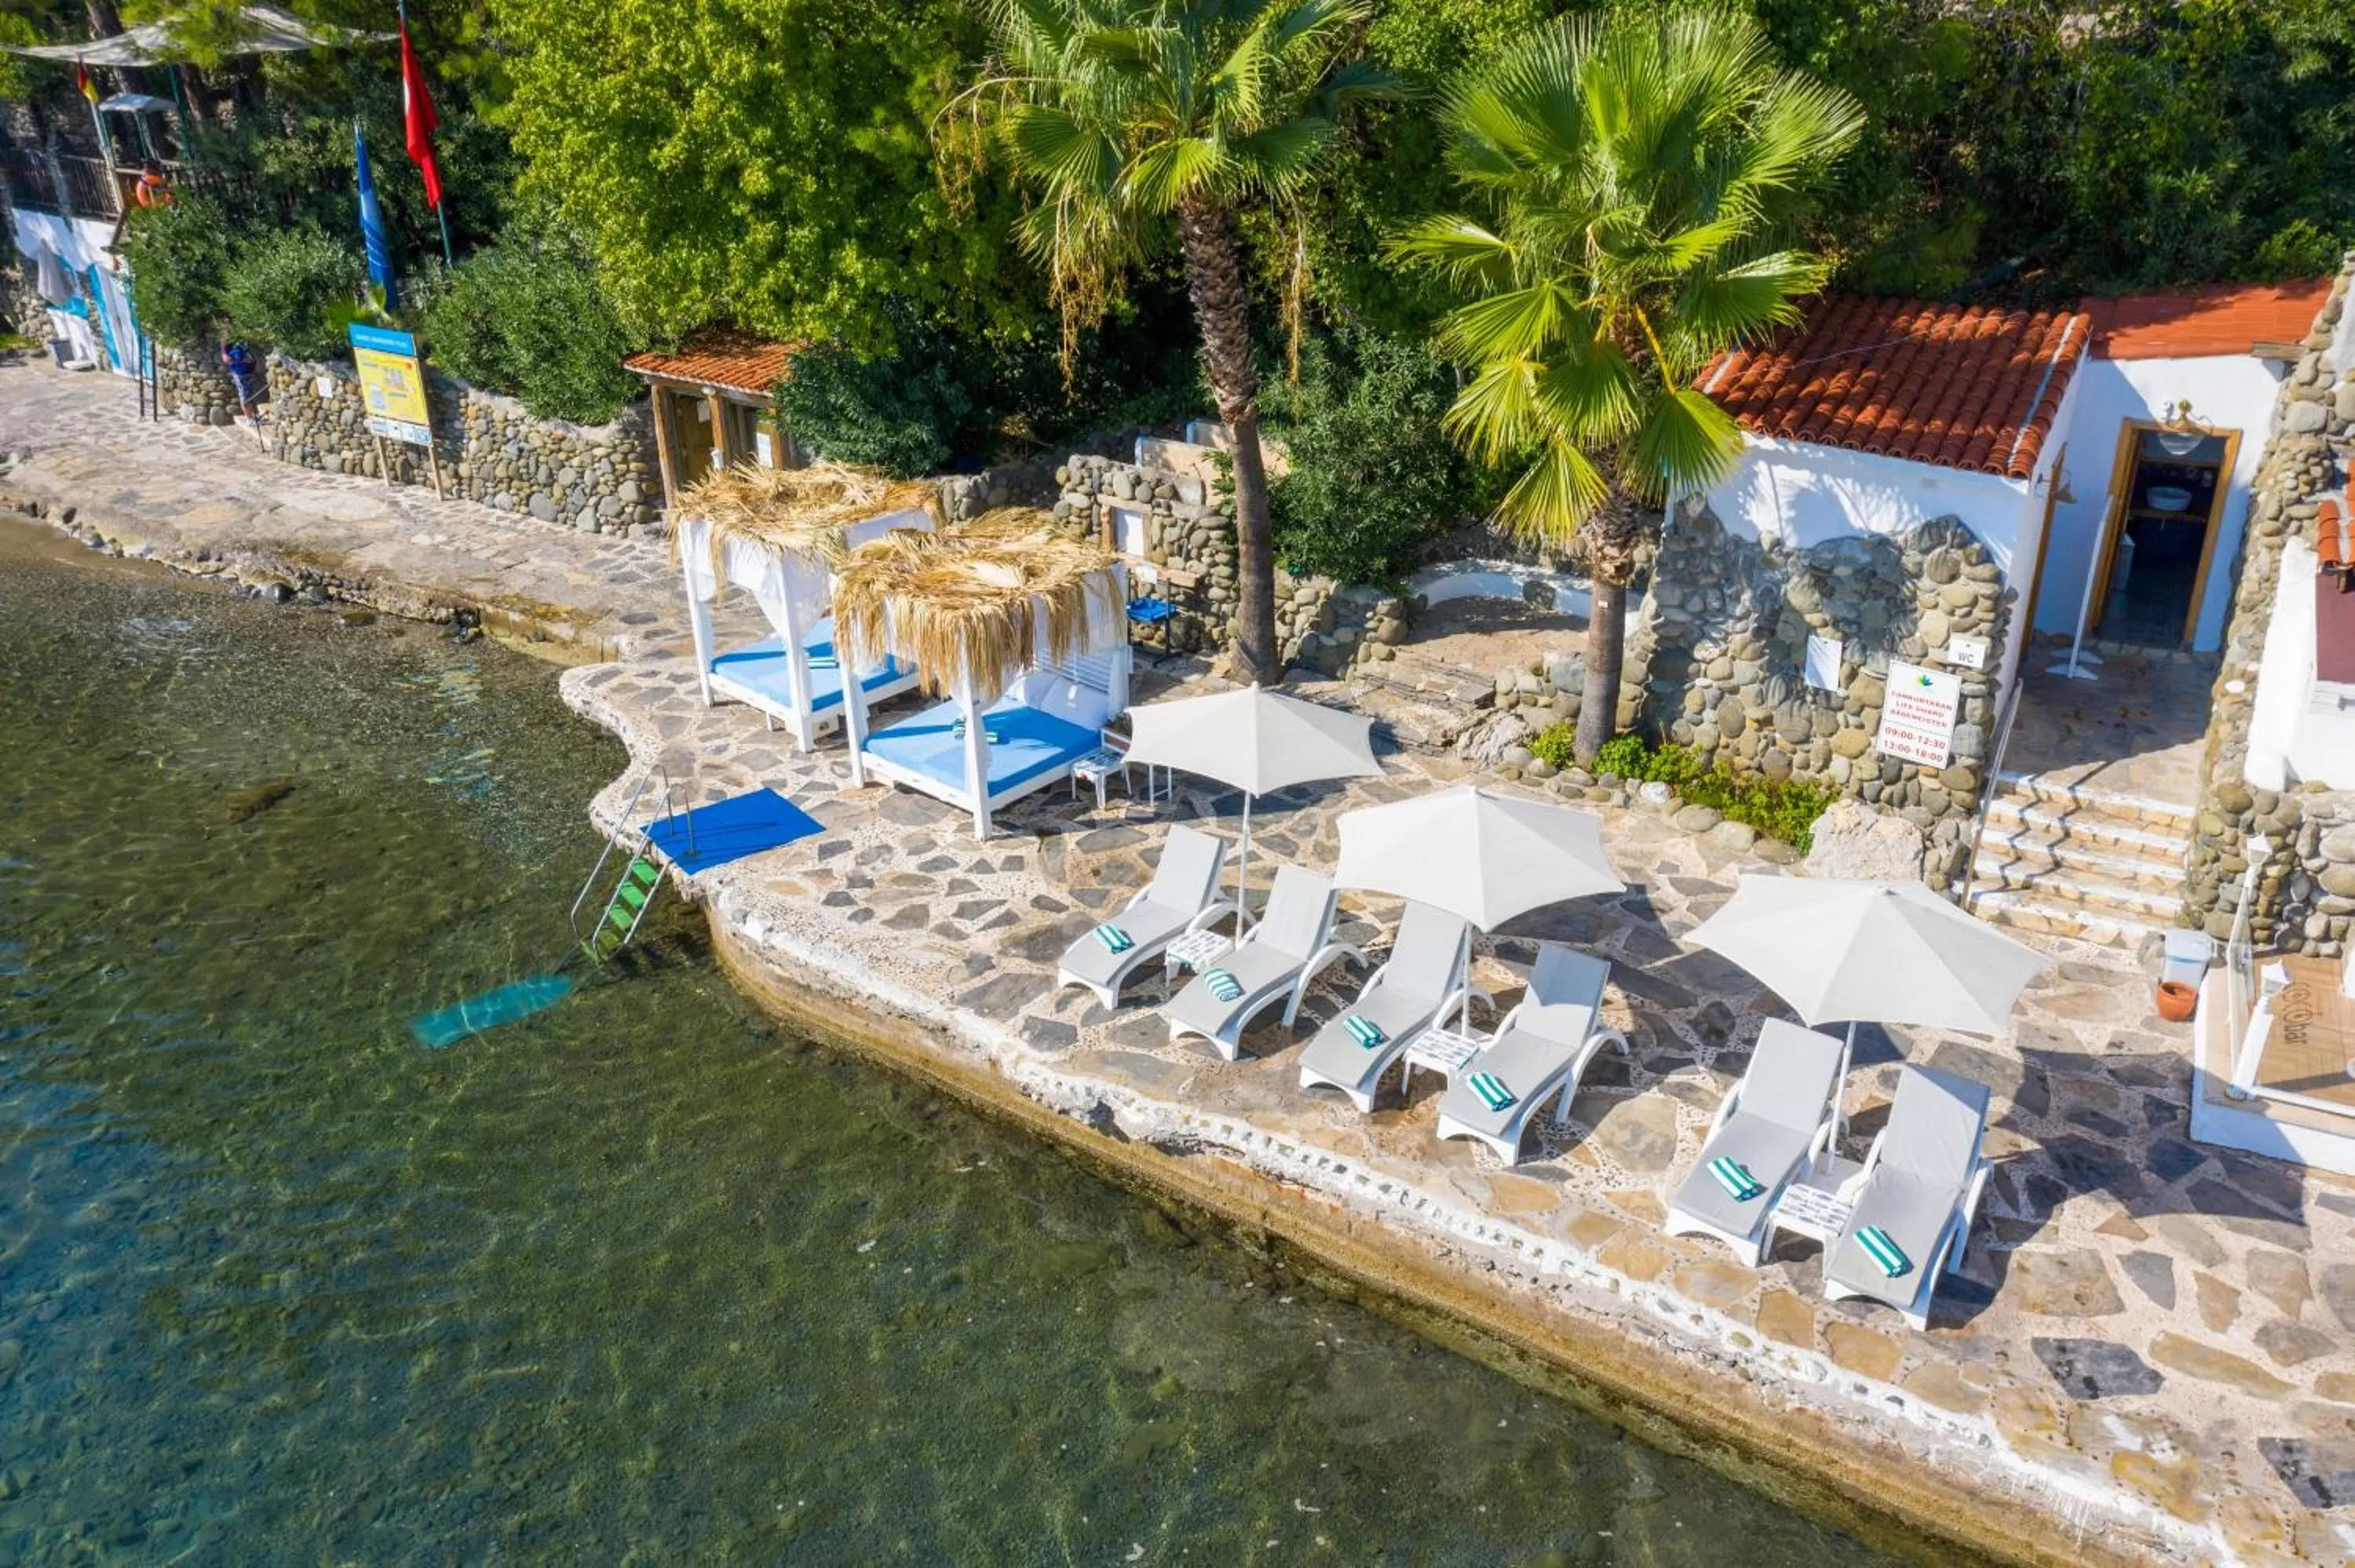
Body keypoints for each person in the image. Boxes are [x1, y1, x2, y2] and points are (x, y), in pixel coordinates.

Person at [220, 340, 264, 425]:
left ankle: (253, 417)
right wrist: (244, 361)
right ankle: (249, 419)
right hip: (240, 373)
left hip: (248, 371)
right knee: (245, 394)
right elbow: (227, 360)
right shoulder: (227, 343)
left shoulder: (238, 339)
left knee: (249, 394)